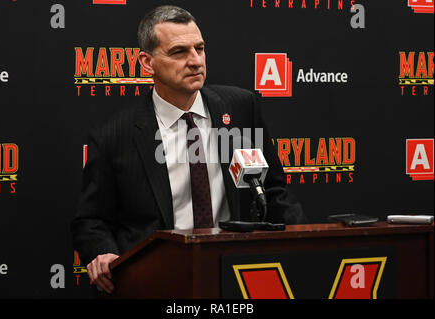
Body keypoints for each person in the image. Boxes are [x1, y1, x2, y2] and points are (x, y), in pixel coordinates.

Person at [71, 5, 305, 295]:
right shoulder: (113, 136)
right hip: (159, 280)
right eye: (179, 52)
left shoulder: (241, 108)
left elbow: (274, 191)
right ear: (147, 62)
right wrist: (103, 252)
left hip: (238, 273)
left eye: (200, 48)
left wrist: (298, 248)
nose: (195, 61)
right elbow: (91, 220)